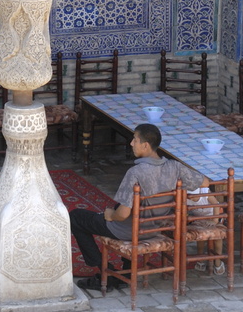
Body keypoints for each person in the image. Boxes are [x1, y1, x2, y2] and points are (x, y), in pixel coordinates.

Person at [70, 123, 208, 291]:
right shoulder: (175, 167)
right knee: (123, 204)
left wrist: (110, 215)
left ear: (145, 145)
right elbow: (204, 182)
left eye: (134, 140)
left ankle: (107, 273)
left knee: (76, 217)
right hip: (154, 228)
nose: (131, 144)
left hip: (130, 230)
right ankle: (127, 273)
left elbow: (122, 214)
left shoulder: (136, 172)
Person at [188, 186, 225, 275]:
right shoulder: (186, 197)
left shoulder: (205, 192)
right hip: (199, 219)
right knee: (200, 237)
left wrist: (214, 221)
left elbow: (216, 205)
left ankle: (217, 261)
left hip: (214, 215)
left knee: (217, 236)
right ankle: (200, 259)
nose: (192, 198)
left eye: (194, 196)